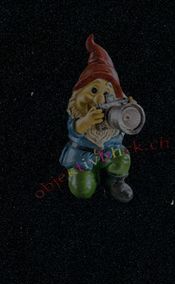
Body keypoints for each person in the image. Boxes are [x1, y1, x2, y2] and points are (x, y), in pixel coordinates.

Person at [62, 36, 145, 203]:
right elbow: (74, 130)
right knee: (83, 190)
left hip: (110, 152)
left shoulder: (117, 109)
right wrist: (86, 121)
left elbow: (129, 125)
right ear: (77, 94)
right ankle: (87, 177)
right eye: (93, 90)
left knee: (123, 158)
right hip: (82, 156)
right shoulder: (77, 112)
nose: (101, 99)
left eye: (107, 93)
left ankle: (115, 182)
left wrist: (129, 112)